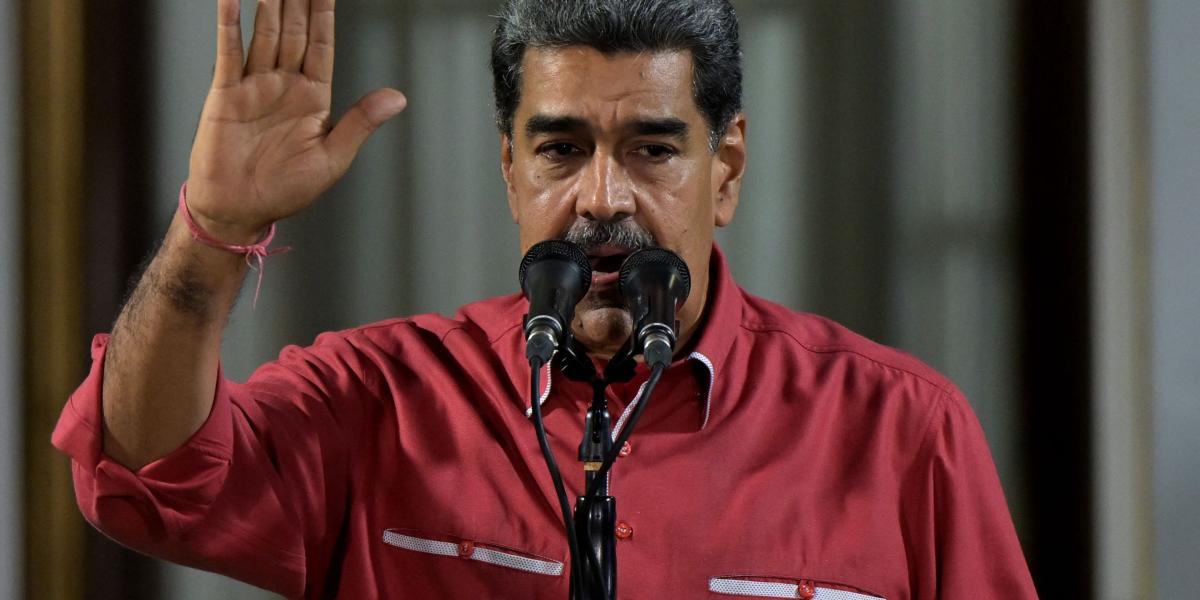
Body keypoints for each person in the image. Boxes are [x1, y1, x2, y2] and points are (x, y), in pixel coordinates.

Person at [52, 0, 1038, 598]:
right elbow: (143, 474)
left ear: (727, 170)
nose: (603, 198)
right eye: (561, 150)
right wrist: (213, 229)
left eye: (652, 150)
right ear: (509, 170)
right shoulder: (381, 399)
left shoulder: (904, 431)